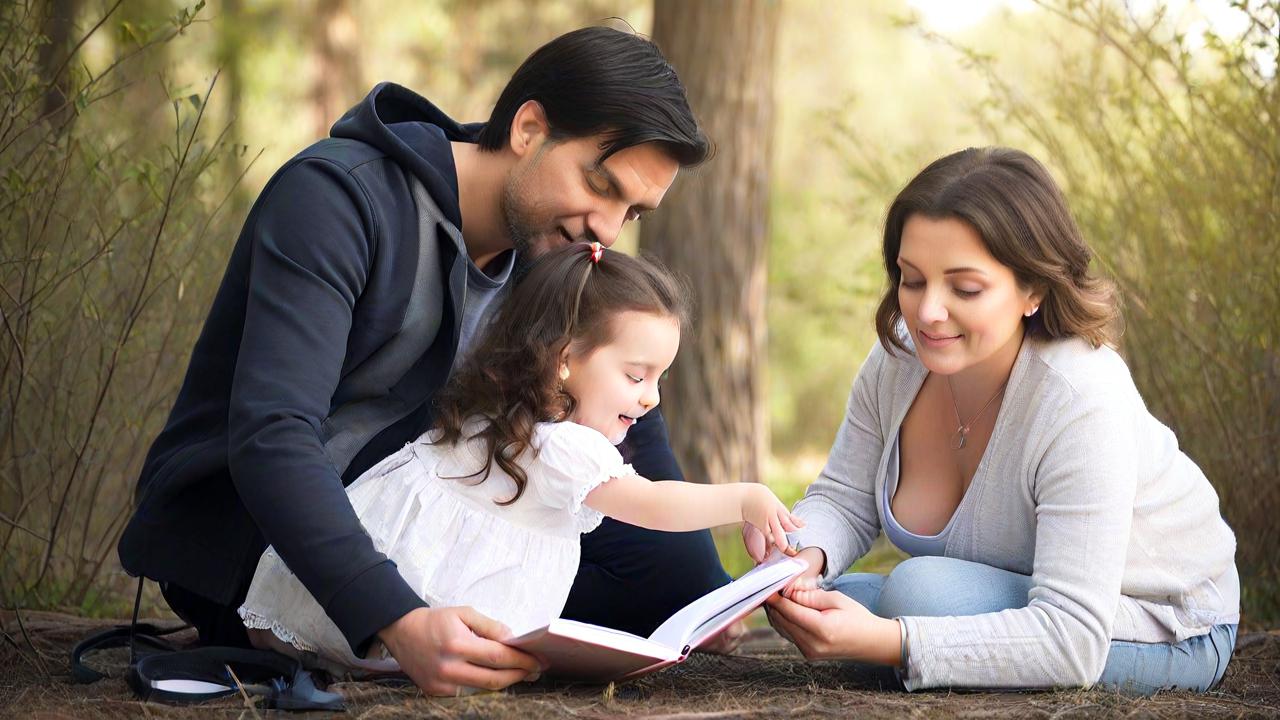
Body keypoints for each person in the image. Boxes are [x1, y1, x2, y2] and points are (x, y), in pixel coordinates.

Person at [117, 27, 734, 696]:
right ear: (529, 127)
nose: (608, 230)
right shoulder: (337, 199)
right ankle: (325, 626)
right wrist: (397, 617)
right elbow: (273, 435)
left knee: (678, 581)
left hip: (446, 514)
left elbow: (618, 403)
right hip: (265, 534)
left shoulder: (556, 254)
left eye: (633, 212)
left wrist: (711, 594)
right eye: (599, 184)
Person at [749, 147, 1239, 695]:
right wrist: (796, 560)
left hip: (1163, 623)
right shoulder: (898, 361)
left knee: (917, 598)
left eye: (965, 289)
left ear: (1033, 289)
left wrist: (894, 642)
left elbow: (1073, 639)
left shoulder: (1080, 397)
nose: (928, 312)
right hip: (1015, 595)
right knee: (833, 600)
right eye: (912, 280)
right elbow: (842, 498)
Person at [238, 243, 802, 675]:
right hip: (417, 606)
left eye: (660, 378)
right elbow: (652, 504)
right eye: (636, 375)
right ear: (564, 361)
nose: (651, 397)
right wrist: (744, 498)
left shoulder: (507, 417)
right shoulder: (562, 446)